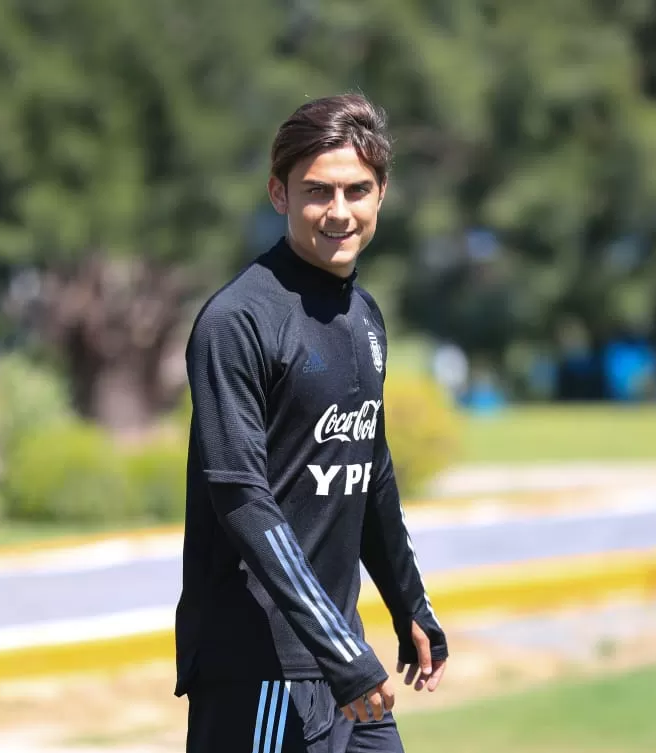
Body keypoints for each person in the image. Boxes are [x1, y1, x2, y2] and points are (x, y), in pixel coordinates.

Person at [175, 92, 449, 753]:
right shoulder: (236, 322)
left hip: (338, 652)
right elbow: (242, 499)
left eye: (356, 190)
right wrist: (339, 651)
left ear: (380, 193)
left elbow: (369, 468)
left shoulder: (363, 316)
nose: (338, 211)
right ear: (279, 193)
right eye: (316, 192)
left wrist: (406, 598)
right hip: (259, 664)